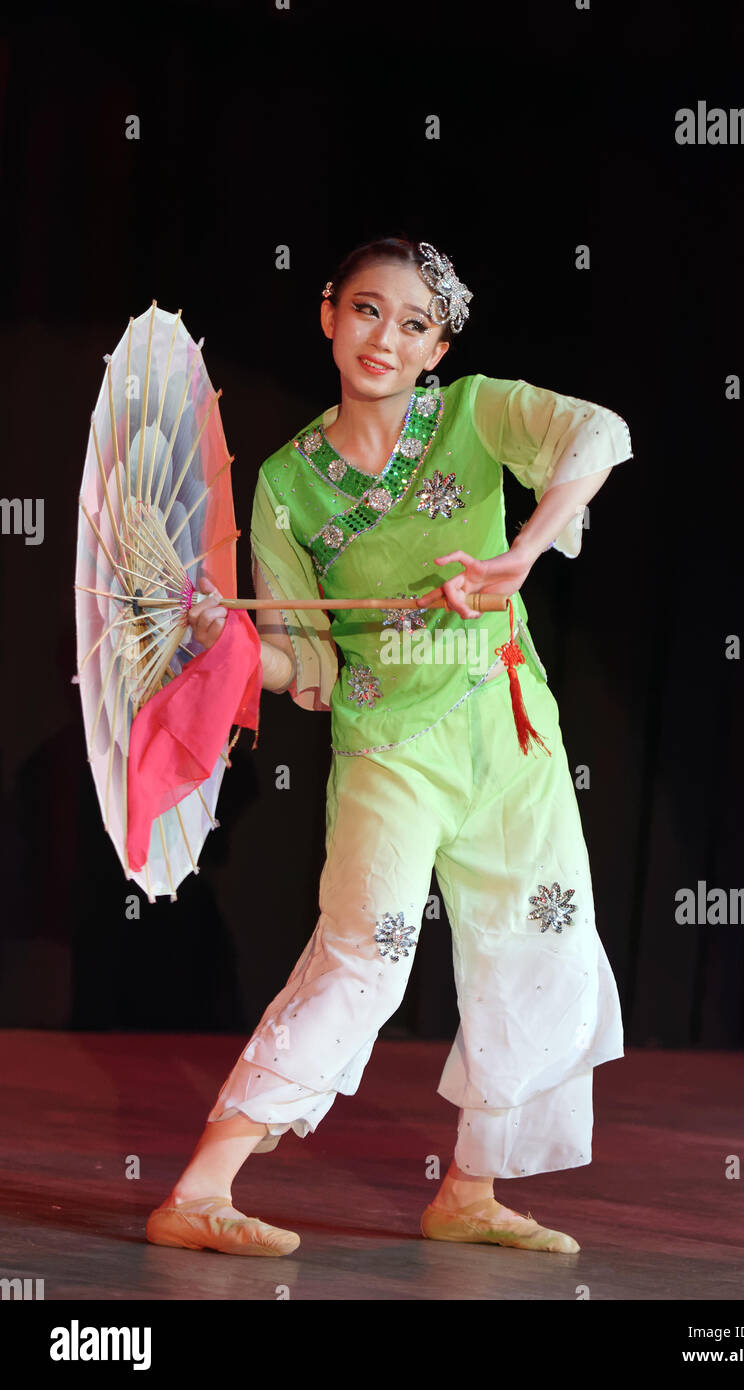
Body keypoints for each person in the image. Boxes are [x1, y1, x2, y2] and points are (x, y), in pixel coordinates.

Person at [145, 235, 633, 1259]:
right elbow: (301, 665)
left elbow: (599, 432)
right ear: (329, 313)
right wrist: (219, 638)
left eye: (413, 324)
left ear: (437, 346)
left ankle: (469, 1189)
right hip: (389, 744)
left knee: (537, 943)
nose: (386, 338)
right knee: (368, 948)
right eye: (367, 310)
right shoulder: (286, 485)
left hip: (508, 727)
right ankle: (200, 1188)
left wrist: (522, 552)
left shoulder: (473, 411)